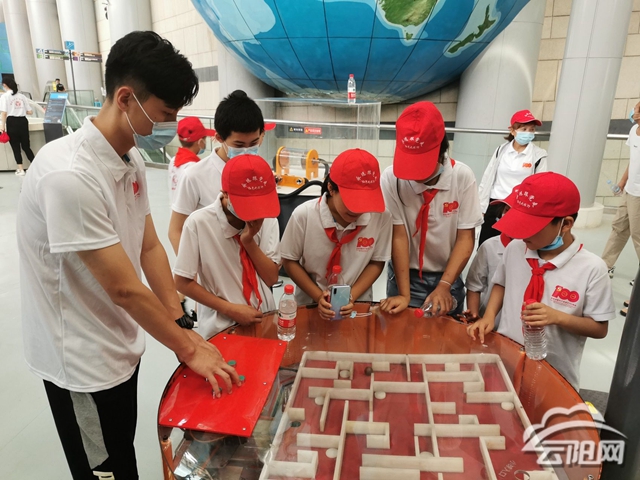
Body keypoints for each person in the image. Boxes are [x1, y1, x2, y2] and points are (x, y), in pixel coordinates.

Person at [16, 31, 239, 480]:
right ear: (125, 98)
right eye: (165, 113)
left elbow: (148, 245)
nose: (170, 125)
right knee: (104, 470)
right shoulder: (70, 176)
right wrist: (188, 350)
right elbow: (123, 288)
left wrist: (180, 322)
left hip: (118, 345)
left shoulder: (128, 158)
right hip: (82, 362)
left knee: (123, 456)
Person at [467, 173, 614, 390]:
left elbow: (599, 328)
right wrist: (489, 316)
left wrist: (558, 317)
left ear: (565, 224)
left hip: (555, 374)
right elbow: (501, 283)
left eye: (531, 227)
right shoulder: (515, 249)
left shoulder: (592, 269)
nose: (522, 234)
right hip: (505, 358)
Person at [379, 102, 483, 316]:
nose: (414, 174)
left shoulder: (462, 177)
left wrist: (445, 285)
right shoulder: (392, 178)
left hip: (448, 275)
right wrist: (404, 295)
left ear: (441, 149)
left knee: (444, 335)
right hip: (404, 275)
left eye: (421, 164)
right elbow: (399, 235)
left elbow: (465, 238)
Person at [174, 154, 281, 338]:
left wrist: (249, 241)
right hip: (221, 325)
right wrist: (230, 309)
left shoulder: (268, 219)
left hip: (264, 318)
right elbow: (182, 282)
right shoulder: (199, 223)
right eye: (247, 206)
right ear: (225, 193)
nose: (255, 213)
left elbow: (271, 278)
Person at [281, 148, 392, 320]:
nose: (358, 210)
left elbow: (376, 262)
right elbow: (290, 260)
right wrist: (318, 296)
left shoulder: (381, 217)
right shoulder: (304, 215)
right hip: (310, 303)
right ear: (331, 188)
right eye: (352, 202)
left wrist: (350, 297)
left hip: (357, 304)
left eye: (365, 202)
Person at [168, 90, 273, 254]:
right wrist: (192, 266)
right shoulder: (194, 175)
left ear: (262, 135)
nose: (247, 150)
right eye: (239, 145)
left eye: (254, 143)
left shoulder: (260, 172)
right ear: (219, 138)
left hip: (252, 261)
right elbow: (176, 230)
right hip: (210, 263)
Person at [477, 110, 547, 246]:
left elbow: (541, 186)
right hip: (496, 203)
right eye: (524, 129)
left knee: (514, 246)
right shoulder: (501, 150)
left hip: (520, 206)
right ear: (513, 131)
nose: (528, 133)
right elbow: (487, 177)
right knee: (487, 244)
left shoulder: (539, 155)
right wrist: (481, 207)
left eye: (532, 130)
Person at [601, 106, 640, 282]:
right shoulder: (633, 130)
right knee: (619, 227)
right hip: (629, 190)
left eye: (636, 109)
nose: (632, 112)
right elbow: (634, 160)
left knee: (638, 234)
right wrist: (623, 182)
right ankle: (605, 265)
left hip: (639, 194)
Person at [464, 199, 512, 325]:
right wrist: (475, 317)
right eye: (506, 210)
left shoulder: (533, 252)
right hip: (488, 324)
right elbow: (474, 285)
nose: (508, 215)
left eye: (514, 211)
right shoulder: (489, 246)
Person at [168, 116, 215, 205]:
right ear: (200, 142)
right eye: (205, 139)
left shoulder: (173, 161)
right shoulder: (196, 168)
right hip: (193, 213)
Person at [0, 77, 34, 175]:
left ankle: (21, 169)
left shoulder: (4, 97)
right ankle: (34, 166)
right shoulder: (22, 96)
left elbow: (4, 113)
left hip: (12, 122)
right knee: (26, 146)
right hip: (23, 121)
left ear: (5, 85)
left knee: (15, 147)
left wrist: (2, 126)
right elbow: (30, 112)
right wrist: (20, 110)